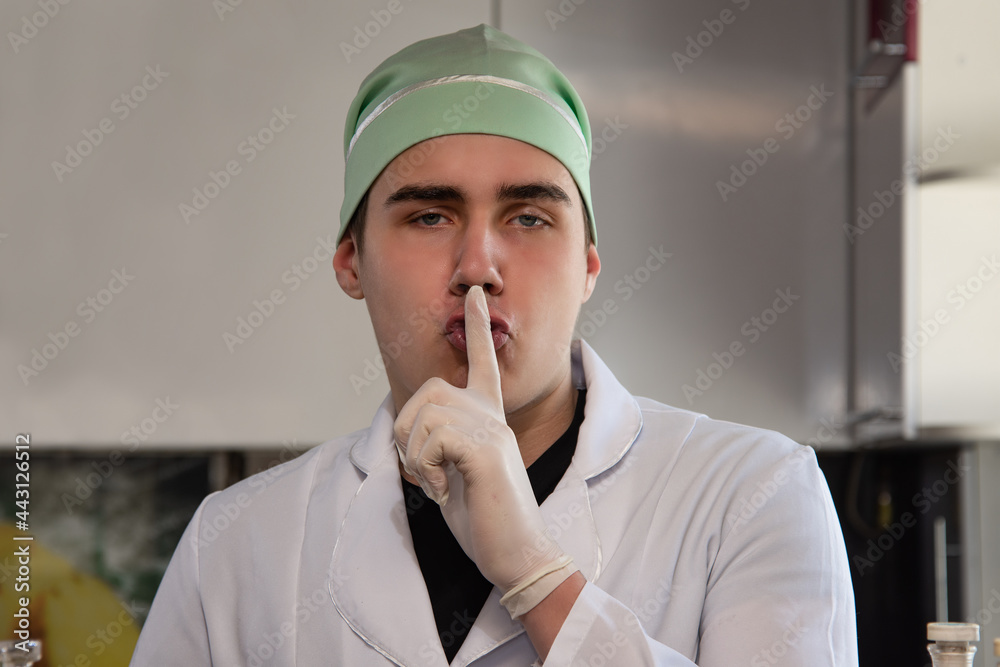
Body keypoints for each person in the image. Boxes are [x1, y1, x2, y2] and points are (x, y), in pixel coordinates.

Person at [130, 24, 858, 666]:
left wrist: (536, 575)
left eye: (529, 217)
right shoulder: (236, 544)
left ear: (588, 267)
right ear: (352, 261)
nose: (477, 265)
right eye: (429, 216)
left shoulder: (751, 494)